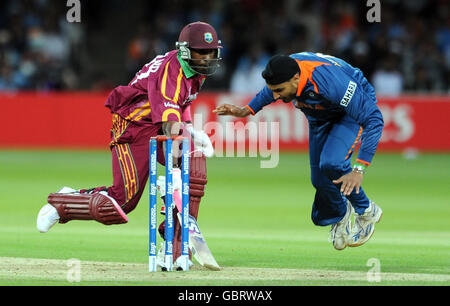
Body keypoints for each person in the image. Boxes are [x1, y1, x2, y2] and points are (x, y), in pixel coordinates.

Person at [36, 21, 220, 265]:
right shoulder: (170, 71)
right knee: (123, 201)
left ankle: (176, 236)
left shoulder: (195, 70)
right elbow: (169, 123)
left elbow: (181, 103)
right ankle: (64, 203)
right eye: (201, 52)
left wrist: (193, 134)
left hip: (158, 122)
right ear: (185, 50)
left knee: (193, 163)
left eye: (211, 52)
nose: (207, 58)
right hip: (134, 126)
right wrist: (180, 155)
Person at [214, 53, 384, 250]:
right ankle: (340, 213)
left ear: (296, 78)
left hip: (347, 113)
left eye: (280, 90)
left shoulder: (330, 82)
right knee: (320, 180)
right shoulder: (286, 72)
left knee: (332, 163)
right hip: (320, 115)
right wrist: (246, 110)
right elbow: (271, 90)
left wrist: (359, 169)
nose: (276, 96)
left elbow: (373, 119)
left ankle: (367, 211)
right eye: (274, 91)